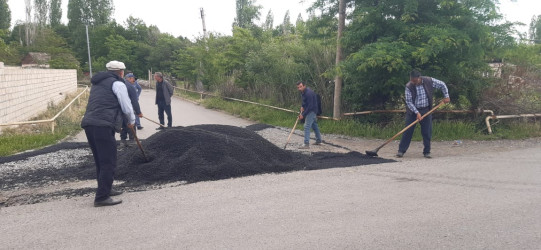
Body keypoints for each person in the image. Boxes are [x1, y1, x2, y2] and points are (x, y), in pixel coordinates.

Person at [81, 60, 135, 207]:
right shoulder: (118, 84)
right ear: (121, 72)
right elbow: (126, 106)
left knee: (100, 160)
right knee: (108, 161)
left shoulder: (98, 84)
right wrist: (131, 121)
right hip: (103, 125)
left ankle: (106, 189)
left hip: (89, 124)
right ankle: (101, 197)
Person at [397, 70, 451, 158]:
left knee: (427, 132)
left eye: (414, 81)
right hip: (413, 111)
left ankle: (427, 152)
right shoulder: (409, 86)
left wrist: (446, 96)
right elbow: (409, 102)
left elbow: (442, 84)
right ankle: (401, 151)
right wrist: (417, 113)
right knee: (407, 131)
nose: (413, 82)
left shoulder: (429, 81)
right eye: (411, 80)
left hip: (426, 110)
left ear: (419, 78)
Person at [296, 81, 322, 149]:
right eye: (298, 87)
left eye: (300, 87)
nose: (299, 88)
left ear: (304, 86)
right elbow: (304, 102)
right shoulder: (303, 92)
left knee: (307, 126)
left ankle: (306, 144)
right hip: (310, 109)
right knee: (314, 125)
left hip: (312, 110)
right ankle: (319, 140)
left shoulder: (308, 93)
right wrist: (302, 106)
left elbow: (310, 106)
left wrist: (303, 115)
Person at [120, 73, 143, 146]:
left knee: (123, 125)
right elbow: (134, 101)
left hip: (120, 109)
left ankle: (123, 141)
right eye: (133, 79)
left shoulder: (121, 84)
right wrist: (138, 112)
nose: (134, 80)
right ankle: (132, 141)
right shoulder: (131, 87)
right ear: (129, 78)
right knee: (131, 123)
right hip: (128, 109)